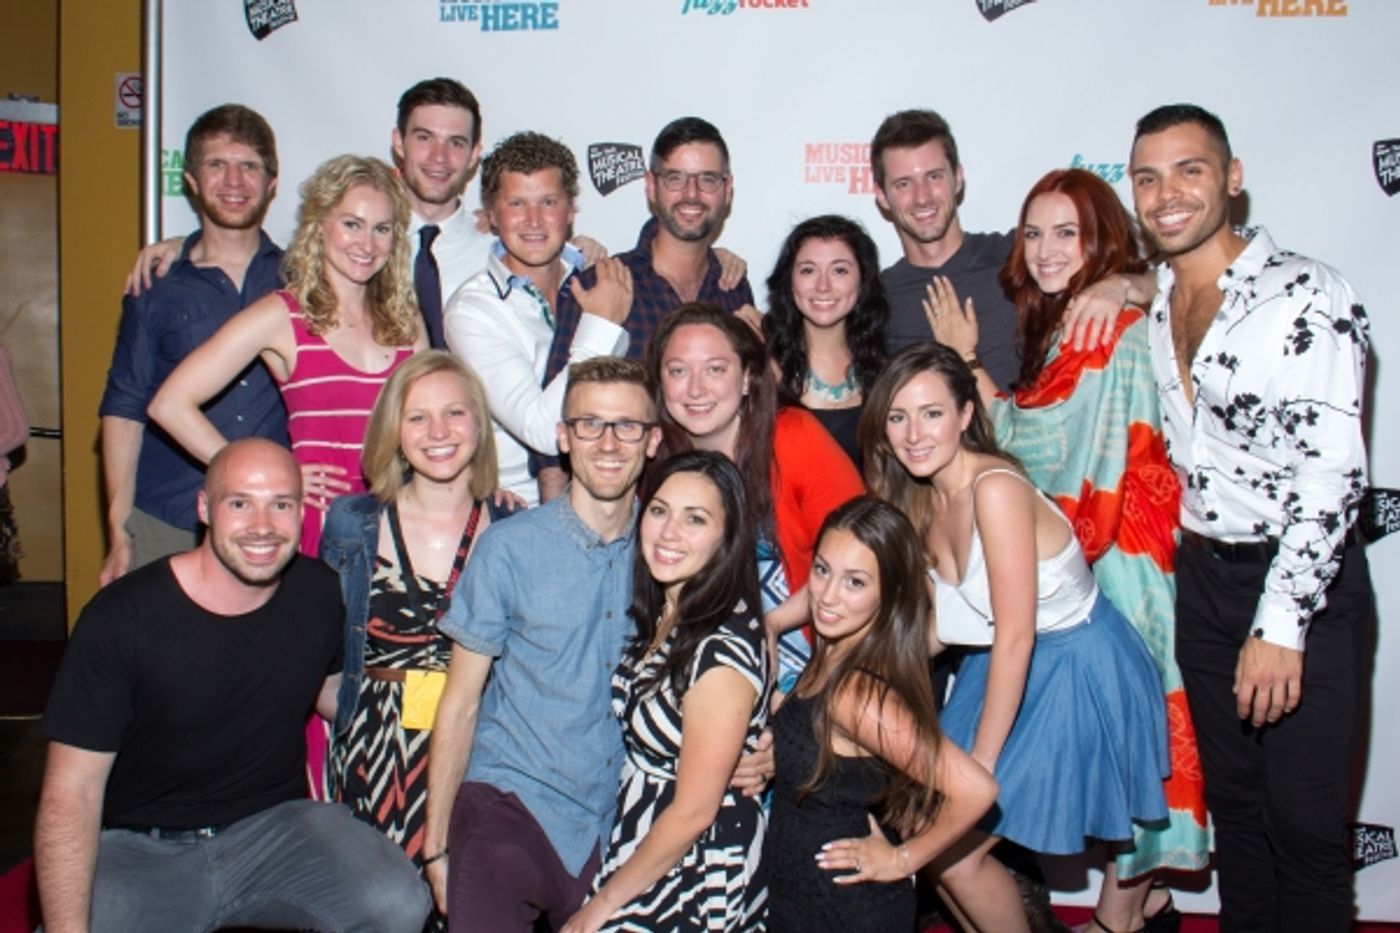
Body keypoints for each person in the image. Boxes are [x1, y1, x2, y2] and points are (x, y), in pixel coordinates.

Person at [928, 167, 1209, 931]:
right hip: (1097, 571)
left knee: (1135, 756)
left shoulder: (1105, 325)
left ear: (1101, 241)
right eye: (1033, 233)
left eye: (1067, 234)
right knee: (1124, 760)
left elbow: (1045, 453)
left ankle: (1123, 916)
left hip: (1125, 570)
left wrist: (968, 363)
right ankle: (1139, 909)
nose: (1046, 249)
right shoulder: (1073, 318)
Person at [1129, 104, 1373, 933]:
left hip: (1301, 587)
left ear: (1232, 178)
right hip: (1204, 580)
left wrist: (1281, 623)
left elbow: (1332, 476)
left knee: (1306, 829)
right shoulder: (1161, 298)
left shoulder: (1306, 292)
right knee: (1236, 810)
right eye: (1147, 177)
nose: (1167, 193)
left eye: (1189, 170)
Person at [34, 438, 430, 933]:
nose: (262, 526)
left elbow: (338, 696)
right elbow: (70, 792)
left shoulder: (319, 594)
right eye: (240, 503)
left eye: (281, 504)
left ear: (301, 512)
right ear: (204, 508)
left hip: (274, 832)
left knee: (396, 902)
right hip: (143, 849)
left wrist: (439, 699)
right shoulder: (123, 617)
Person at [861, 344, 1170, 933]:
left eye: (931, 413)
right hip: (1002, 660)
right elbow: (942, 626)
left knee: (955, 853)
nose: (914, 434)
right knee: (928, 833)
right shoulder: (921, 495)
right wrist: (862, 675)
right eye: (898, 417)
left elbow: (1016, 634)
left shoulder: (995, 488)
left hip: (1076, 666)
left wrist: (981, 765)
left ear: (965, 415)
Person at [425, 358, 661, 929]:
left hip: (621, 822)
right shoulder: (509, 549)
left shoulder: (670, 554)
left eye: (627, 426)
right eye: (589, 424)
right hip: (512, 801)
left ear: (653, 441)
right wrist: (435, 847)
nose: (608, 443)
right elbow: (460, 703)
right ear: (563, 437)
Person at [149, 154, 424, 559]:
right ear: (319, 225)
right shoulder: (282, 315)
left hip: (400, 524)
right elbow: (169, 405)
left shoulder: (405, 320)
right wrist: (263, 476)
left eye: (381, 229)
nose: (367, 244)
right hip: (320, 529)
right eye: (352, 224)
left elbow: (431, 420)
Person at [319, 351, 506, 932]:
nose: (438, 432)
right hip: (370, 756)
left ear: (479, 424)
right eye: (418, 417)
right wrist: (351, 712)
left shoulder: (513, 531)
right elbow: (317, 648)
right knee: (371, 912)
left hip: (477, 751)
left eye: (454, 412)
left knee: (467, 910)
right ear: (393, 432)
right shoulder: (352, 522)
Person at [764, 496, 1000, 933]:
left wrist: (902, 860)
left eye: (855, 582)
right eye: (822, 570)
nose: (828, 595)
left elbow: (976, 791)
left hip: (843, 911)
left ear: (888, 594)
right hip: (803, 898)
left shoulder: (856, 694)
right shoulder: (834, 651)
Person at [562, 450, 771, 932]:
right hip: (647, 839)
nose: (669, 532)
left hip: (696, 864)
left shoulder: (720, 651)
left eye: (695, 519)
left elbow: (695, 811)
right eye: (659, 510)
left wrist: (600, 906)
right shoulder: (670, 611)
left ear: (728, 537)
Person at [97, 104, 288, 584]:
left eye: (249, 166)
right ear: (191, 180)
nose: (234, 181)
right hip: (170, 516)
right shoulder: (156, 283)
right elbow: (124, 409)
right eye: (216, 164)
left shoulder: (301, 281)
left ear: (272, 182)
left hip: (274, 522)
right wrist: (118, 530)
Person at [644, 303, 863, 695]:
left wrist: (773, 624)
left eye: (715, 369)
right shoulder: (658, 460)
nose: (695, 389)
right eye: (678, 371)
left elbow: (867, 557)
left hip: (817, 658)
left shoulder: (793, 438)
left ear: (747, 378)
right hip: (705, 658)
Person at [871, 109, 1150, 391]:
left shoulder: (1024, 255)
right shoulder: (876, 296)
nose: (922, 197)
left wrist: (1120, 285)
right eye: (903, 184)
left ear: (958, 177)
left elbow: (1164, 282)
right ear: (882, 196)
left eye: (934, 176)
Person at [443, 131, 632, 506]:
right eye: (517, 203)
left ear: (570, 211)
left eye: (548, 202)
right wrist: (600, 326)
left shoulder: (602, 280)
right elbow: (544, 432)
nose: (534, 220)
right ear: (492, 214)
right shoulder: (473, 311)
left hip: (610, 501)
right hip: (515, 509)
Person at [762, 214, 889, 466]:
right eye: (808, 270)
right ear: (789, 281)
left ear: (863, 281)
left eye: (839, 270)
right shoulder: (762, 366)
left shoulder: (886, 372)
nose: (823, 286)